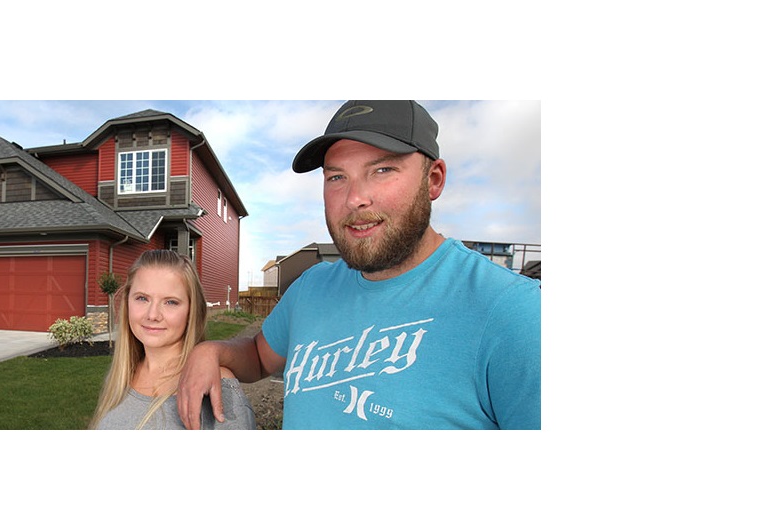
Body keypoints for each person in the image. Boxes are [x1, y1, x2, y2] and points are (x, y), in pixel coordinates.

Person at [177, 100, 541, 430]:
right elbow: (259, 357)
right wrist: (213, 351)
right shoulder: (312, 286)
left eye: (382, 170)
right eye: (337, 177)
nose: (354, 198)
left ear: (434, 180)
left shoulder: (514, 314)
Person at [90, 249, 256, 429]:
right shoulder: (121, 376)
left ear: (192, 311)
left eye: (170, 302)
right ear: (127, 302)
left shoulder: (218, 388)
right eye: (142, 298)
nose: (152, 315)